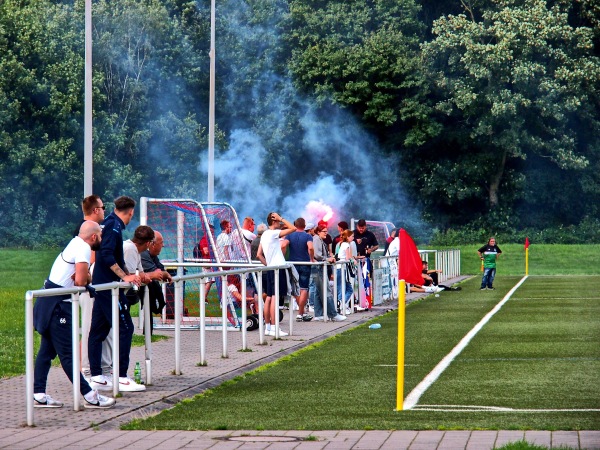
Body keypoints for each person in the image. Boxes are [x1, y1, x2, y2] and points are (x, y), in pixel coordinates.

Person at [33, 220, 116, 409]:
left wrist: (83, 277)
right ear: (93, 236)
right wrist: (84, 276)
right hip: (59, 306)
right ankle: (89, 395)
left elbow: (83, 279)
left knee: (46, 351)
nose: (101, 239)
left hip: (51, 303)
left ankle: (38, 394)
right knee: (68, 354)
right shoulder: (84, 248)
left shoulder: (75, 243)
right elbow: (81, 281)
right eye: (100, 236)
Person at [88, 196, 143, 393]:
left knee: (98, 331)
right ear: (130, 212)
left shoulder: (110, 223)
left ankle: (97, 377)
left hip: (104, 286)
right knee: (126, 328)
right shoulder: (114, 226)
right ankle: (120, 377)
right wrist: (125, 277)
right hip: (109, 288)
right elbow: (106, 254)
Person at [74, 195, 113, 380]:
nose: (105, 210)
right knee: (90, 328)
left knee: (100, 329)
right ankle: (87, 371)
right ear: (96, 210)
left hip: (98, 285)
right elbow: (87, 261)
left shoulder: (94, 229)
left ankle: (102, 370)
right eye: (103, 207)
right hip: (90, 287)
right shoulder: (84, 231)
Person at [125, 226, 171, 338]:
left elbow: (143, 274)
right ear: (149, 243)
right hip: (113, 294)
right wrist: (153, 275)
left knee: (125, 329)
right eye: (161, 243)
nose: (163, 245)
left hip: (122, 294)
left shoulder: (137, 251)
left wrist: (150, 275)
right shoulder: (130, 249)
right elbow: (131, 276)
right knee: (121, 330)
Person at [257, 212, 295, 336]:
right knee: (275, 297)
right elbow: (293, 228)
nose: (280, 223)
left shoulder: (264, 234)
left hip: (271, 268)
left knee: (269, 297)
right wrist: (282, 218)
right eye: (278, 221)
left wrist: (268, 265)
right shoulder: (273, 233)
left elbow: (259, 254)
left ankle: (268, 327)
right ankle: (274, 327)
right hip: (278, 268)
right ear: (274, 221)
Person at [312, 224, 346, 322]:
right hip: (319, 267)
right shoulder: (317, 239)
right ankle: (333, 314)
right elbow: (317, 255)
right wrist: (327, 259)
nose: (326, 233)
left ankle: (318, 314)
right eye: (324, 231)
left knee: (318, 292)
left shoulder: (318, 239)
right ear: (318, 232)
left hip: (318, 267)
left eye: (326, 231)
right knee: (326, 291)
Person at [140, 230, 173, 334]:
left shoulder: (152, 255)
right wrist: (164, 274)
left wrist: (164, 274)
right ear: (152, 244)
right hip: (128, 289)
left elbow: (160, 270)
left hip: (141, 288)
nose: (163, 246)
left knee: (149, 301)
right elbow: (157, 273)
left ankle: (148, 335)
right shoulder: (143, 254)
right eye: (161, 243)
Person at [284, 218, 314, 322]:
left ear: (295, 225)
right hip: (305, 263)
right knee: (304, 288)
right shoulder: (308, 236)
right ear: (304, 225)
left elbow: (283, 245)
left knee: (295, 289)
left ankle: (301, 312)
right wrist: (312, 259)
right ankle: (301, 313)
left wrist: (283, 257)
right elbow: (310, 248)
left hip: (293, 264)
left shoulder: (289, 235)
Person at [336, 229, 355, 314]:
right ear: (348, 237)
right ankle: (341, 305)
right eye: (352, 236)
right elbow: (348, 257)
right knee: (342, 287)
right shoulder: (346, 244)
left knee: (347, 288)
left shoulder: (342, 244)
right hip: (342, 268)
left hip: (341, 268)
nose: (353, 238)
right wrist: (353, 261)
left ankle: (342, 305)